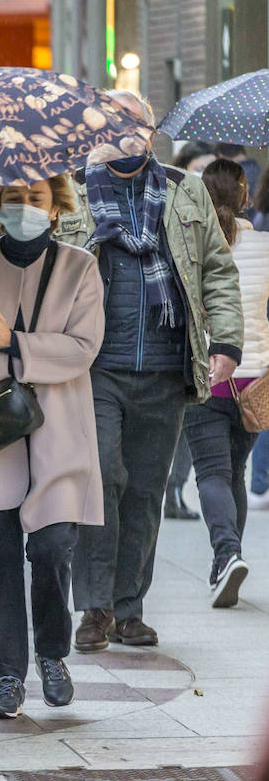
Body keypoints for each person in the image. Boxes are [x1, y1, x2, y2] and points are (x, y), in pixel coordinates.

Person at [63, 90, 243, 653]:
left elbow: (216, 268)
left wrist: (228, 340)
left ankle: (128, 608)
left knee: (143, 489)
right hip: (95, 366)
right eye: (114, 122)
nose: (126, 131)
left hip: (166, 366)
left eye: (136, 122)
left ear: (151, 130)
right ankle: (94, 608)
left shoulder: (183, 190)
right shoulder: (73, 193)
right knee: (103, 480)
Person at [0, 174, 106, 719]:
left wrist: (14, 343)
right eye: (14, 198)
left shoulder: (80, 267)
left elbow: (83, 348)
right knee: (1, 558)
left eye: (36, 198)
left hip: (59, 434)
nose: (25, 207)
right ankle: (7, 676)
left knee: (53, 550)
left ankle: (52, 655)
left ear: (56, 209)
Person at [182, 159, 269, 607]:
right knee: (233, 469)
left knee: (213, 472)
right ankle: (228, 559)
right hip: (255, 384)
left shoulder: (195, 249)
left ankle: (227, 554)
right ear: (244, 195)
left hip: (209, 378)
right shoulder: (267, 248)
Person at [163, 142, 217, 521]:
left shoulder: (218, 224)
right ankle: (171, 489)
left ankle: (176, 489)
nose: (205, 176)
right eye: (199, 169)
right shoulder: (175, 208)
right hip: (180, 342)